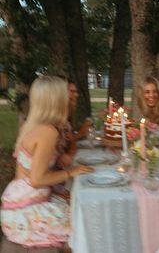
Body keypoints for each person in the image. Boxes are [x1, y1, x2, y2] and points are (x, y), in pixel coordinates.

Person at [0, 75, 93, 252]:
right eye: (64, 94)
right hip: (26, 213)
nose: (69, 97)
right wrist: (71, 172)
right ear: (55, 100)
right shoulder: (47, 132)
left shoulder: (36, 125)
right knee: (85, 225)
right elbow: (37, 179)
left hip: (23, 203)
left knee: (81, 207)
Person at [137, 76, 159, 140]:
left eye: (155, 91)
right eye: (147, 92)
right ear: (142, 94)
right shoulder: (144, 111)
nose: (151, 95)